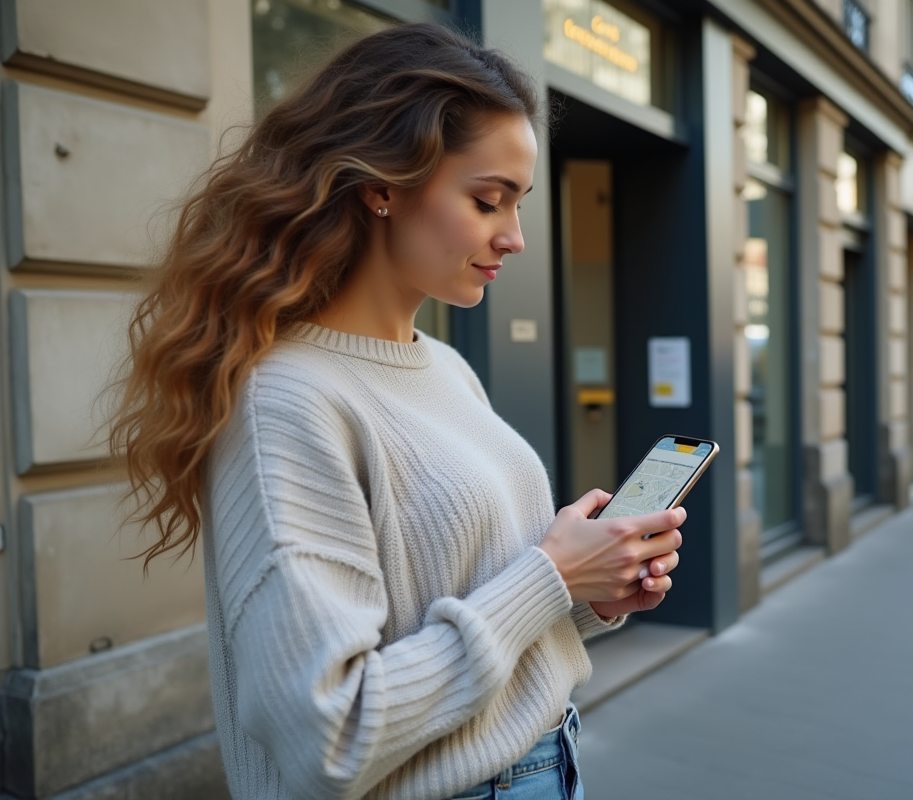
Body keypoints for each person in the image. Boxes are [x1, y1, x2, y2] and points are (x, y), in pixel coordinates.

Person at [109, 24, 686, 800]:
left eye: (518, 204)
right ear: (382, 186)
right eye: (488, 201)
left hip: (548, 764)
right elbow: (333, 735)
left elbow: (456, 622)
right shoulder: (286, 402)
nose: (514, 237)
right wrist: (551, 575)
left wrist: (587, 591)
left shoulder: (444, 366)